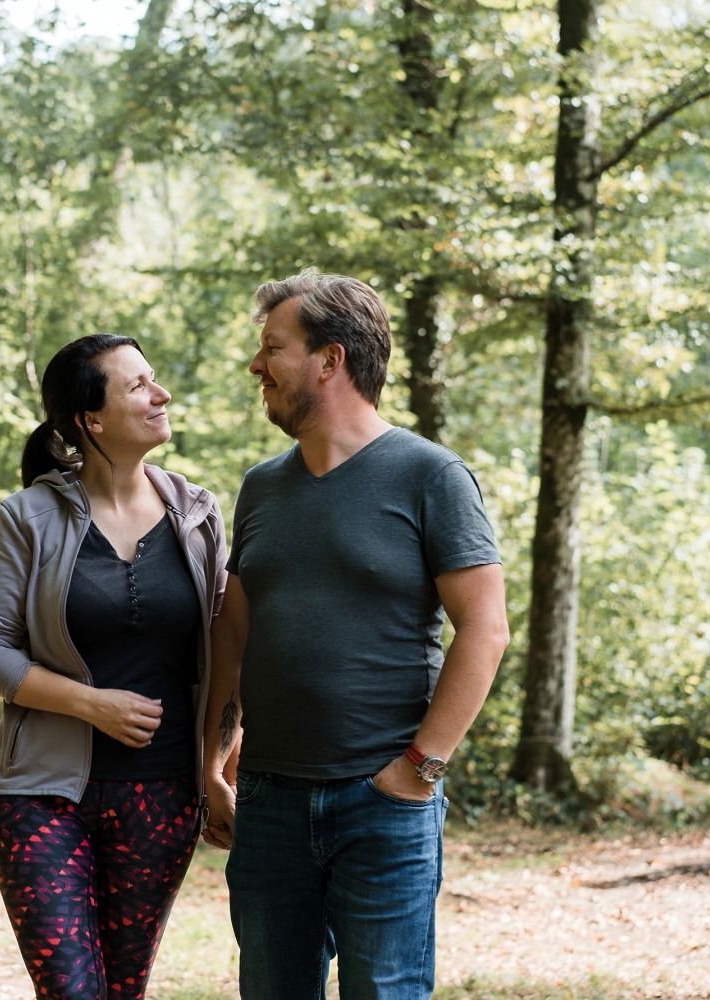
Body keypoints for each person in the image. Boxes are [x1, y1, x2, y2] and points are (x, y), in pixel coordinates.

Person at [200, 270, 511, 999]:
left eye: (272, 347)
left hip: (384, 807)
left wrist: (418, 772)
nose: (256, 365)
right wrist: (211, 763)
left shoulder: (431, 476)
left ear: (330, 360)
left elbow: (485, 629)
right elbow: (233, 633)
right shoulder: (260, 487)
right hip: (270, 804)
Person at [0, 333, 228, 1000]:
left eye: (154, 379)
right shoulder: (30, 517)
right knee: (72, 991)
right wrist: (91, 703)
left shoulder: (198, 515)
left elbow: (229, 653)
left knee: (124, 988)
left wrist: (217, 768)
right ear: (90, 419)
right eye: (137, 385)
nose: (160, 394)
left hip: (163, 794)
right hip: (41, 794)